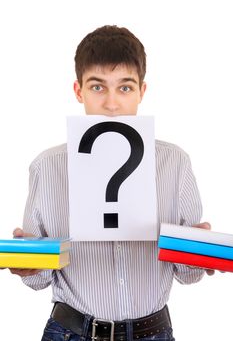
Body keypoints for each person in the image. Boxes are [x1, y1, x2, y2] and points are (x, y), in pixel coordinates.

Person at [10, 25, 212, 341]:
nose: (113, 104)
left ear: (142, 91)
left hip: (153, 332)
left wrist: (199, 252)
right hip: (71, 332)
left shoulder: (174, 163)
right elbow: (39, 281)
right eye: (98, 87)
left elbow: (189, 276)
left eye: (126, 88)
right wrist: (29, 263)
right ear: (79, 91)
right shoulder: (47, 166)